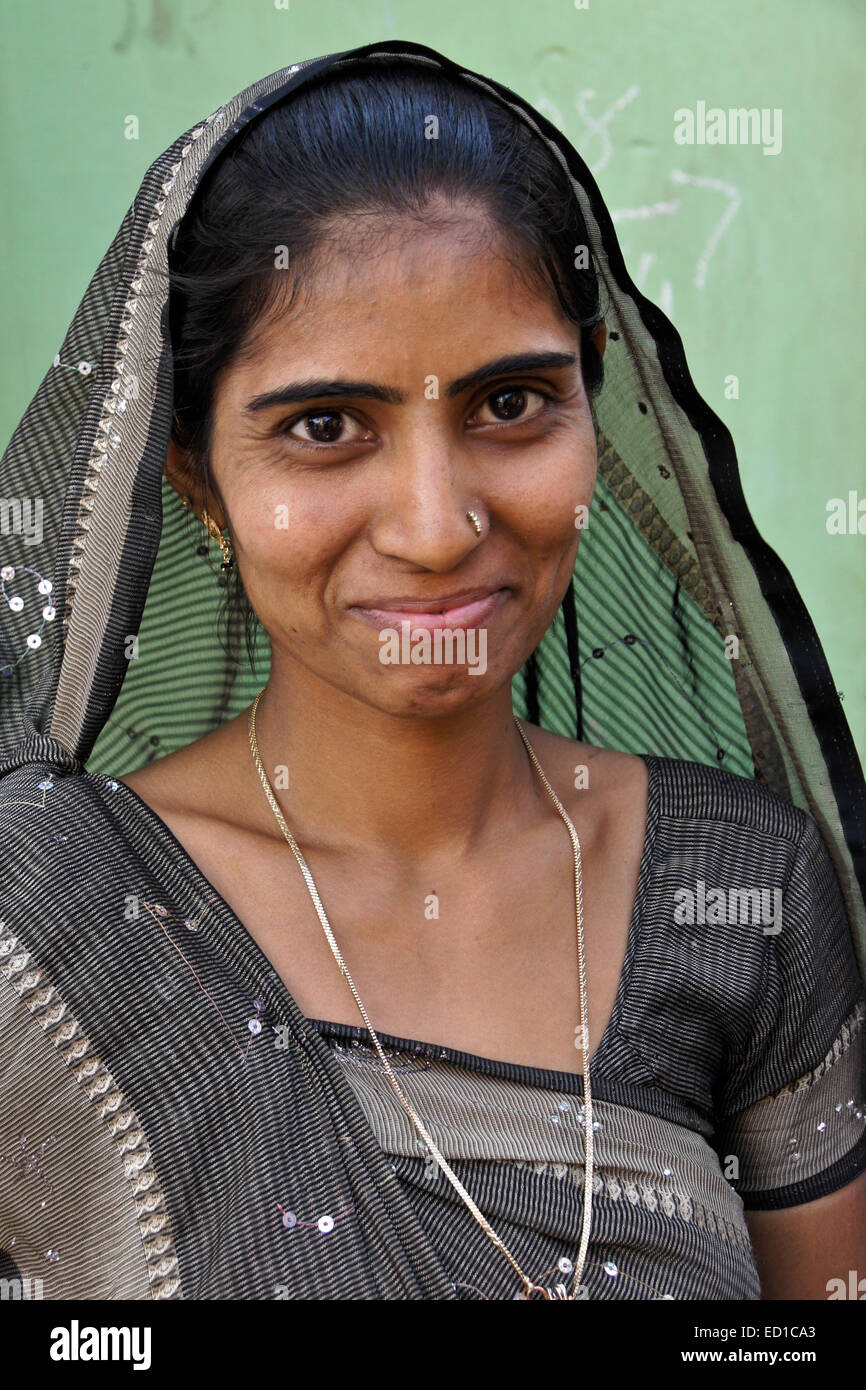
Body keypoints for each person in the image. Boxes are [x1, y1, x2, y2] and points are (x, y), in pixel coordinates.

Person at [0, 38, 864, 1302]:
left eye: (509, 404)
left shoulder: (741, 890)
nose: (433, 523)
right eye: (324, 426)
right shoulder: (46, 917)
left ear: (592, 405)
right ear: (189, 474)